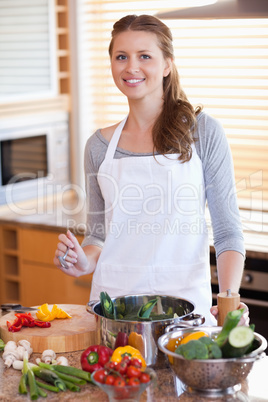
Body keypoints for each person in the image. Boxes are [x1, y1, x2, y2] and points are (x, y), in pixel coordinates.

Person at [54, 14, 249, 326]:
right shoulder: (99, 147)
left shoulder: (202, 133)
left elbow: (227, 232)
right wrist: (80, 261)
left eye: (144, 56)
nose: (131, 67)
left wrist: (229, 299)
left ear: (167, 64)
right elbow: (97, 237)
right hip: (113, 312)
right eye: (121, 57)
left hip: (186, 313)